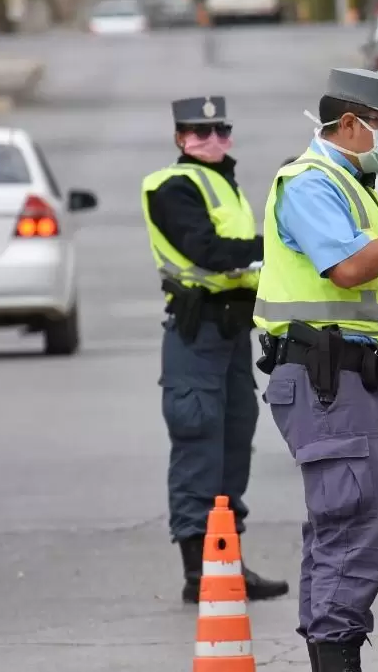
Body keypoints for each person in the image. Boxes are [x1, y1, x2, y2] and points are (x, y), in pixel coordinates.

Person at [253, 69, 378, 672]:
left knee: (341, 523)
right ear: (348, 123)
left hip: (349, 379)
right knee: (351, 524)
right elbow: (348, 269)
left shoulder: (355, 186)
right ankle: (336, 654)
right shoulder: (310, 183)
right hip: (327, 377)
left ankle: (330, 649)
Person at [140, 96, 289, 605]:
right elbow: (208, 251)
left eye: (219, 130)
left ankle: (227, 562)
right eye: (198, 132)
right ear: (179, 138)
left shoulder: (226, 184)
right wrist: (276, 249)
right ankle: (197, 570)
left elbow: (237, 257)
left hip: (231, 333)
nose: (210, 140)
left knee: (233, 442)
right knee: (198, 440)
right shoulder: (171, 186)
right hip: (196, 330)